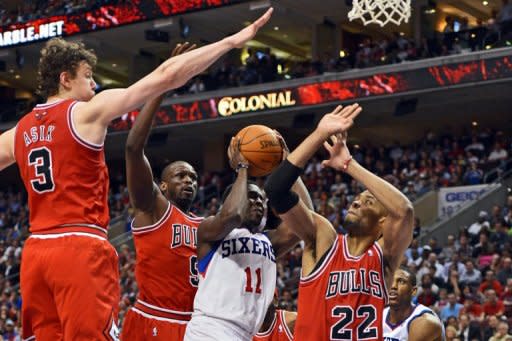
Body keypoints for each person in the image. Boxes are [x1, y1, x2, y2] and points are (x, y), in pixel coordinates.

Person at [0, 8, 273, 341]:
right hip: (79, 246)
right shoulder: (85, 112)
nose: (94, 84)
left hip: (35, 251)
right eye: (88, 75)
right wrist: (230, 42)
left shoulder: (20, 131)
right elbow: (165, 76)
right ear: (65, 77)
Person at [264, 103, 415, 341]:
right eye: (357, 199)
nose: (356, 202)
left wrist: (349, 165)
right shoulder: (324, 238)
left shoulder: (385, 256)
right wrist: (318, 135)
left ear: (383, 222)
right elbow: (276, 190)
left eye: (368, 202)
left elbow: (404, 210)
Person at [184, 136, 311, 341]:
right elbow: (232, 215)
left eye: (261, 198)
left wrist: (289, 167)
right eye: (250, 197)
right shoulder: (209, 232)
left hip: (244, 334)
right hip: (210, 329)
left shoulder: (270, 241)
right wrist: (242, 167)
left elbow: (307, 220)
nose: (257, 202)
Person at [120, 43, 207, 340]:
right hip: (155, 318)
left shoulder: (206, 224)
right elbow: (133, 147)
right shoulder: (153, 208)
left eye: (194, 177)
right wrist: (165, 83)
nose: (189, 181)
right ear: (163, 185)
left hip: (197, 323)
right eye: (180, 175)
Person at [383, 266, 444, 341]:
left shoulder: (426, 321)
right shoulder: (378, 316)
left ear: (414, 291)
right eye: (390, 281)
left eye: (401, 281)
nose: (393, 286)